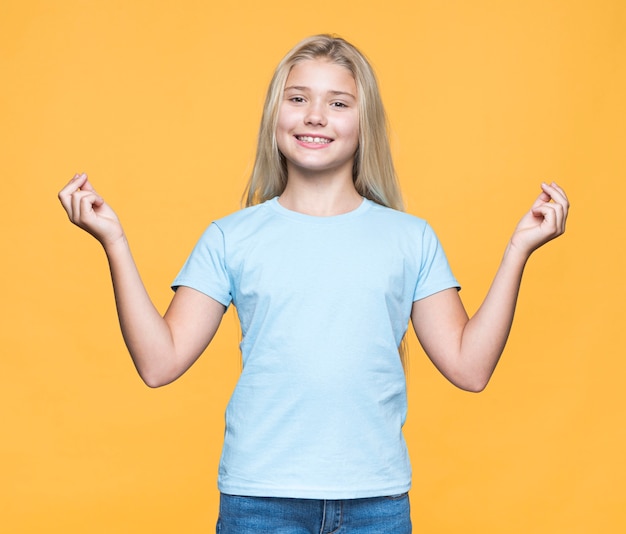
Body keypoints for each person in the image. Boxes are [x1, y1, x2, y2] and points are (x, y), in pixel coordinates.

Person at [58, 34, 569, 534]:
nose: (315, 116)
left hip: (376, 505)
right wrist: (114, 242)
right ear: (274, 117)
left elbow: (470, 367)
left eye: (338, 102)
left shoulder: (409, 239)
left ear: (363, 124)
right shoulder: (231, 238)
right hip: (259, 504)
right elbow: (159, 361)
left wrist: (516, 252)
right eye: (297, 98)